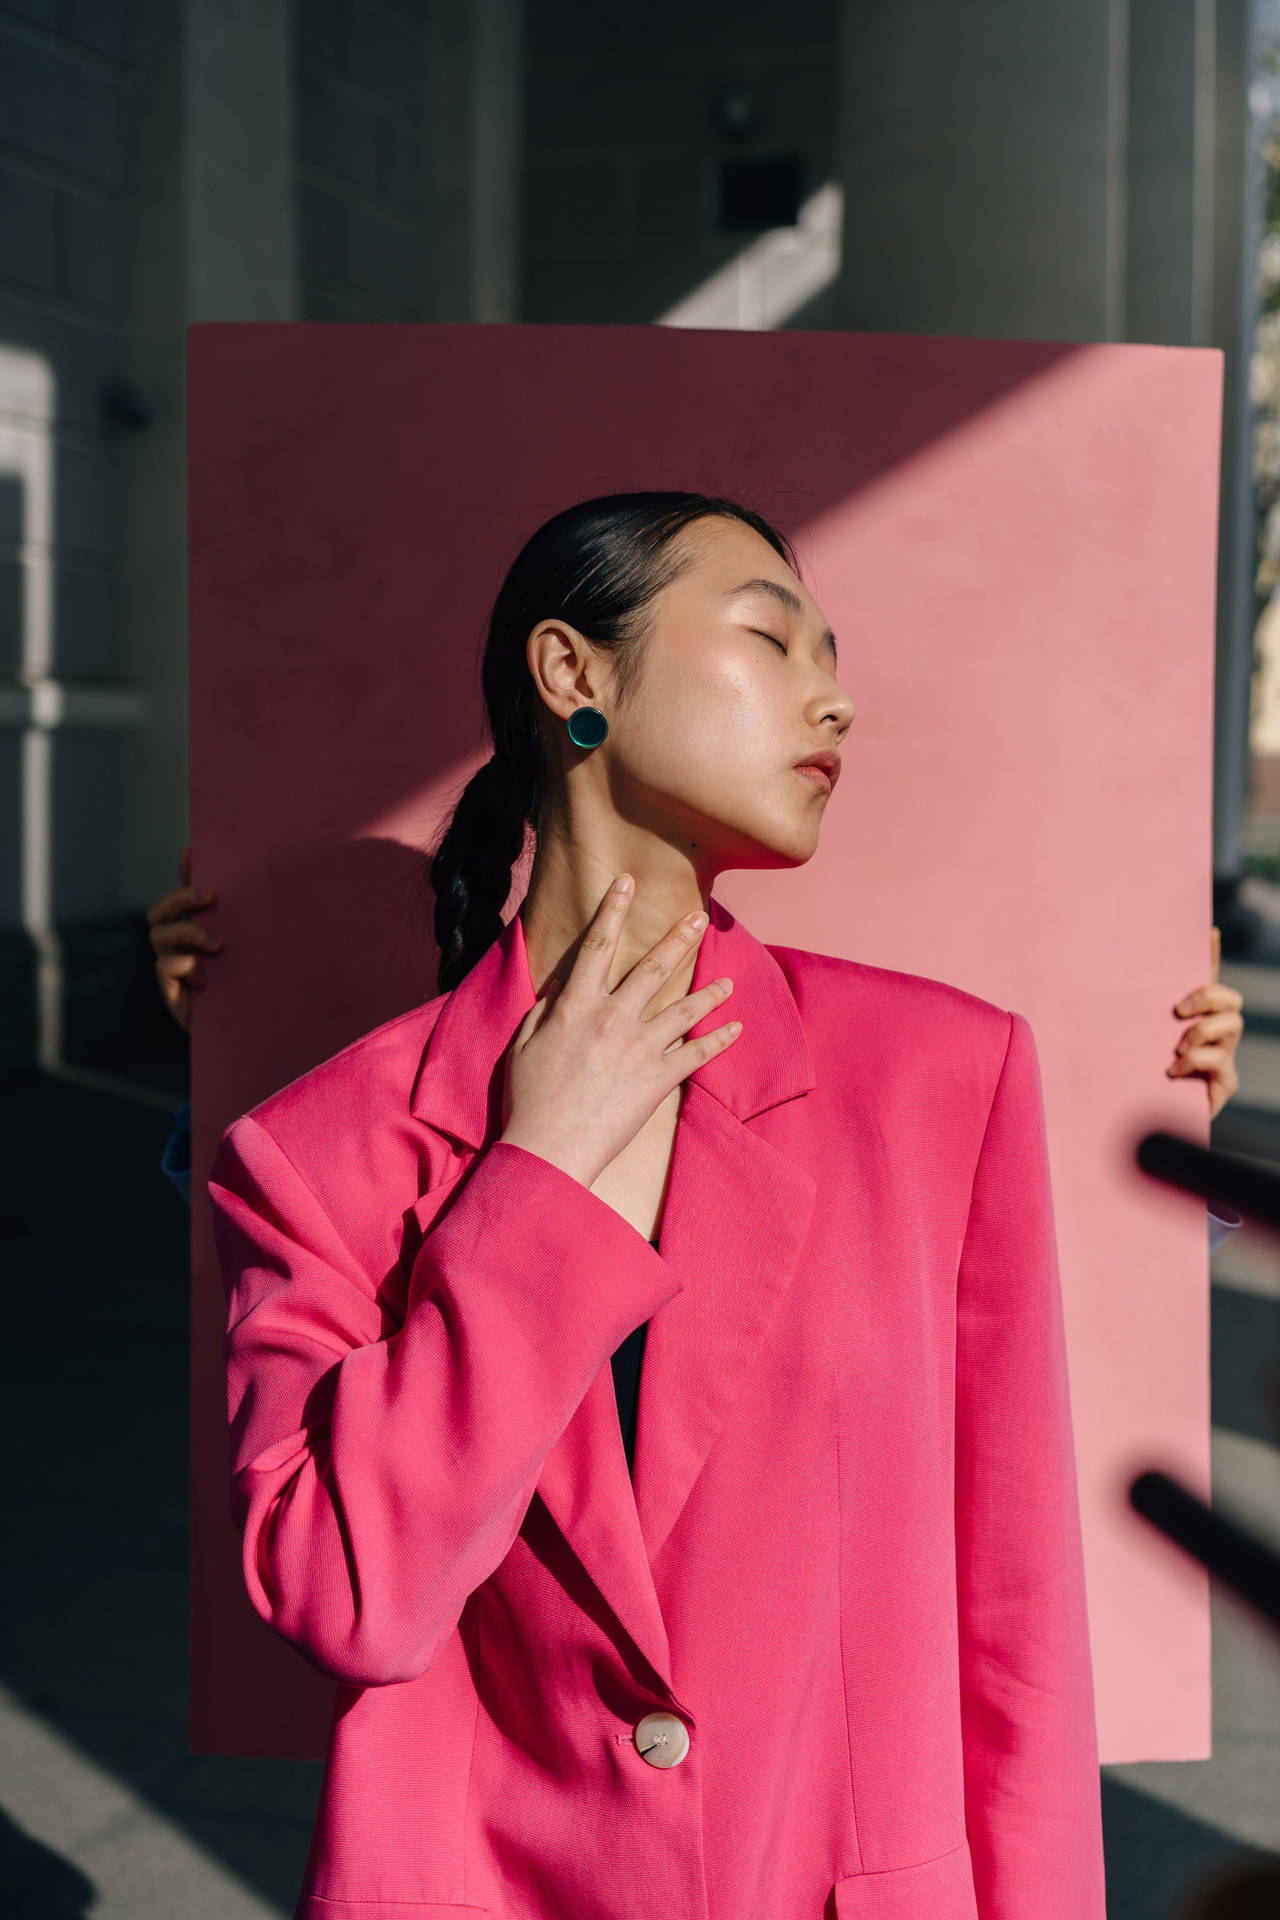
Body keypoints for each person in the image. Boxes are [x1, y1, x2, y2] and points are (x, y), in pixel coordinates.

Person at [170, 491, 1242, 1920]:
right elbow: (345, 1594)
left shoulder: (941, 1076)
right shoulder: (322, 1149)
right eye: (774, 638)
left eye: (837, 654)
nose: (839, 700)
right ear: (575, 675)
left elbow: (1018, 1623)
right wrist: (534, 1182)